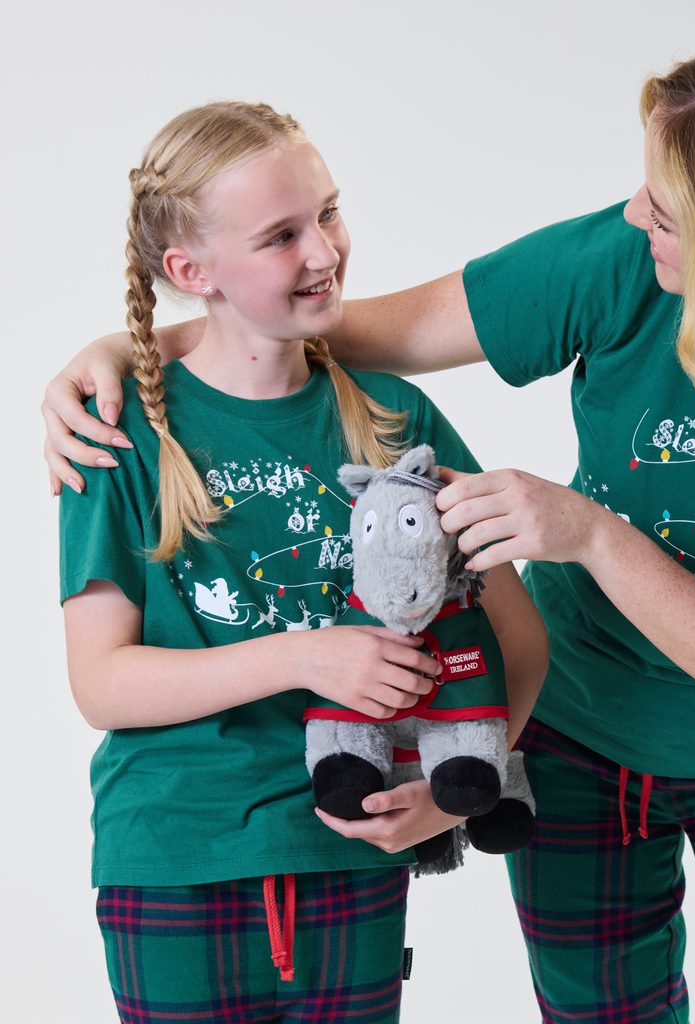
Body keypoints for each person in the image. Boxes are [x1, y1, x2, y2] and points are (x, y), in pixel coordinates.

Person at [45, 34, 695, 1024]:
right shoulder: (627, 257)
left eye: (665, 211)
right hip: (579, 735)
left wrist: (590, 534)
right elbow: (340, 327)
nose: (632, 216)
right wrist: (126, 348)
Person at [56, 100, 547, 1024]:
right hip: (175, 855)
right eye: (282, 235)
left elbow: (518, 643)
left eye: (328, 212)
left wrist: (452, 802)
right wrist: (302, 656)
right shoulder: (116, 435)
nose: (325, 250)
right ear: (190, 271)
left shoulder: (399, 421)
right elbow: (101, 683)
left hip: (351, 850)